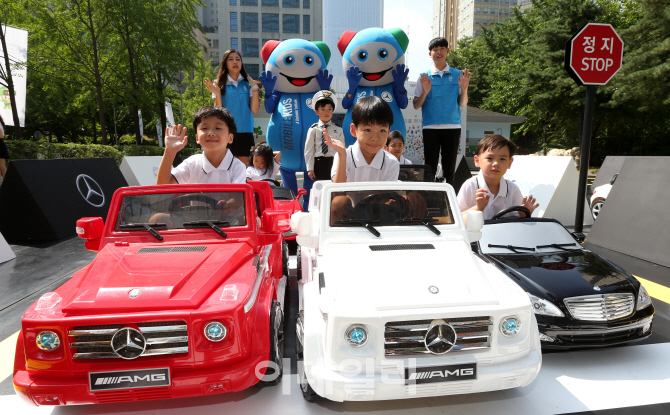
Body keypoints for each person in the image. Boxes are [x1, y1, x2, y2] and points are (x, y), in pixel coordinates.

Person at [413, 37, 471, 184]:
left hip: (452, 126)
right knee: (430, 167)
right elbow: (416, 105)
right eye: (435, 49)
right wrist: (425, 92)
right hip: (430, 126)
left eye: (442, 49)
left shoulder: (458, 75)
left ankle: (447, 200)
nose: (439, 52)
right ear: (430, 53)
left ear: (447, 51)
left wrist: (464, 89)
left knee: (449, 168)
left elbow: (463, 104)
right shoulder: (423, 77)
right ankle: (429, 198)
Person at [457, 135, 538, 223]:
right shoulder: (470, 186)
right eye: (489, 158)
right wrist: (478, 208)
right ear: (477, 161)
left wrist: (524, 214)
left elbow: (517, 223)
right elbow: (457, 219)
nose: (496, 163)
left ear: (509, 163)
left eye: (502, 159)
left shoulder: (513, 189)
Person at [156, 106, 246, 184]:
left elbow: (238, 199)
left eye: (218, 128)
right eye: (204, 128)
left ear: (230, 138)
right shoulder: (191, 164)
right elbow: (163, 185)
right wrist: (170, 151)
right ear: (197, 138)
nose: (211, 133)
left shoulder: (237, 167)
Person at [325, 96, 400, 183]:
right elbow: (338, 194)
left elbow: (387, 195)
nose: (375, 138)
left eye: (382, 130)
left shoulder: (391, 163)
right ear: (354, 130)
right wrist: (342, 156)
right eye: (368, 130)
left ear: (388, 132)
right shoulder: (344, 156)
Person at [205, 49, 260, 166]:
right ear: (225, 63)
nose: (235, 62)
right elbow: (218, 112)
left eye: (238, 59)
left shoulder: (248, 84)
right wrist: (218, 94)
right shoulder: (218, 83)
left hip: (246, 133)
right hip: (228, 132)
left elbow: (255, 110)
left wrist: (255, 89)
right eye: (231, 59)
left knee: (243, 171)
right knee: (228, 169)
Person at [304, 91, 342, 182]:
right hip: (318, 163)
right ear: (316, 112)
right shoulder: (313, 129)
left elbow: (341, 149)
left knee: (334, 187)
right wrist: (310, 168)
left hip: (334, 162)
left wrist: (342, 166)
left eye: (329, 109)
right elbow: (309, 150)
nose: (327, 112)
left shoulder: (339, 129)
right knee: (320, 188)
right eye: (323, 109)